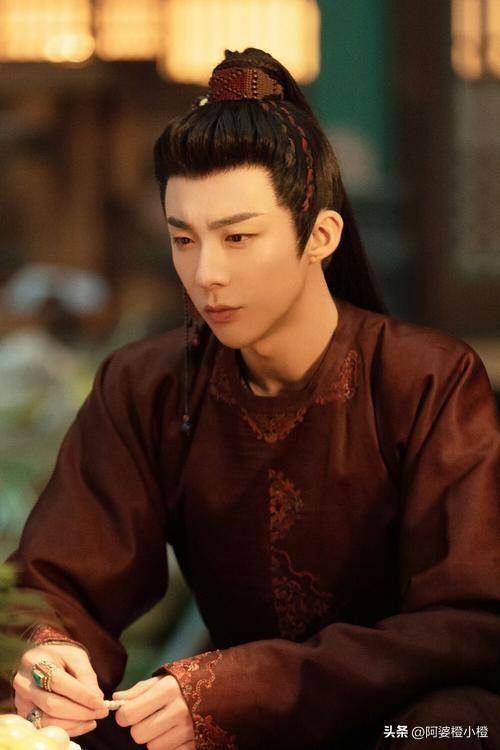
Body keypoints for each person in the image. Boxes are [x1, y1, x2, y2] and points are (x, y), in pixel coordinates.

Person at [4, 48, 500, 750]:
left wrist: (247, 686)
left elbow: (468, 624)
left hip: (399, 718)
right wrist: (51, 657)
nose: (206, 273)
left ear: (319, 235)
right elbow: (56, 583)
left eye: (237, 237)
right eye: (184, 238)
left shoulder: (427, 380)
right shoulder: (146, 386)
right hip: (222, 721)